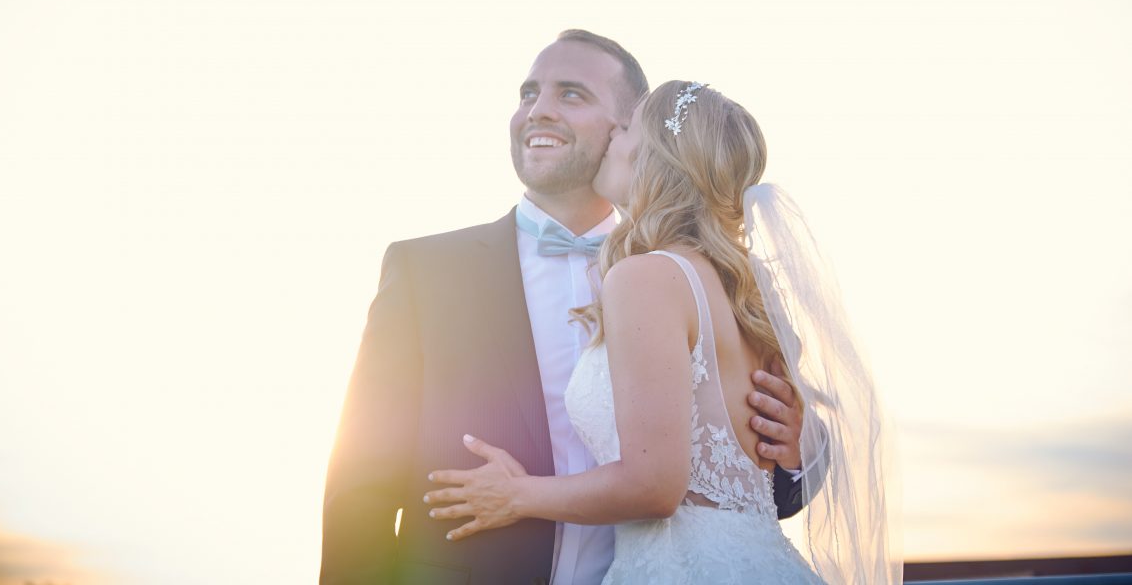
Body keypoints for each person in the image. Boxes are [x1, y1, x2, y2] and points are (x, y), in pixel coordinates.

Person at [320, 34, 813, 585]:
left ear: (627, 130)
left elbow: (746, 491)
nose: (539, 110)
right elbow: (360, 481)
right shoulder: (424, 271)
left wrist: (790, 454)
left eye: (571, 94)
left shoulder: (694, 283)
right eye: (528, 92)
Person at [423, 81, 899, 584]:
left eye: (626, 126)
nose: (611, 135)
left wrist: (516, 495)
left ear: (656, 155)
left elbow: (654, 487)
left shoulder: (646, 276)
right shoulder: (745, 285)